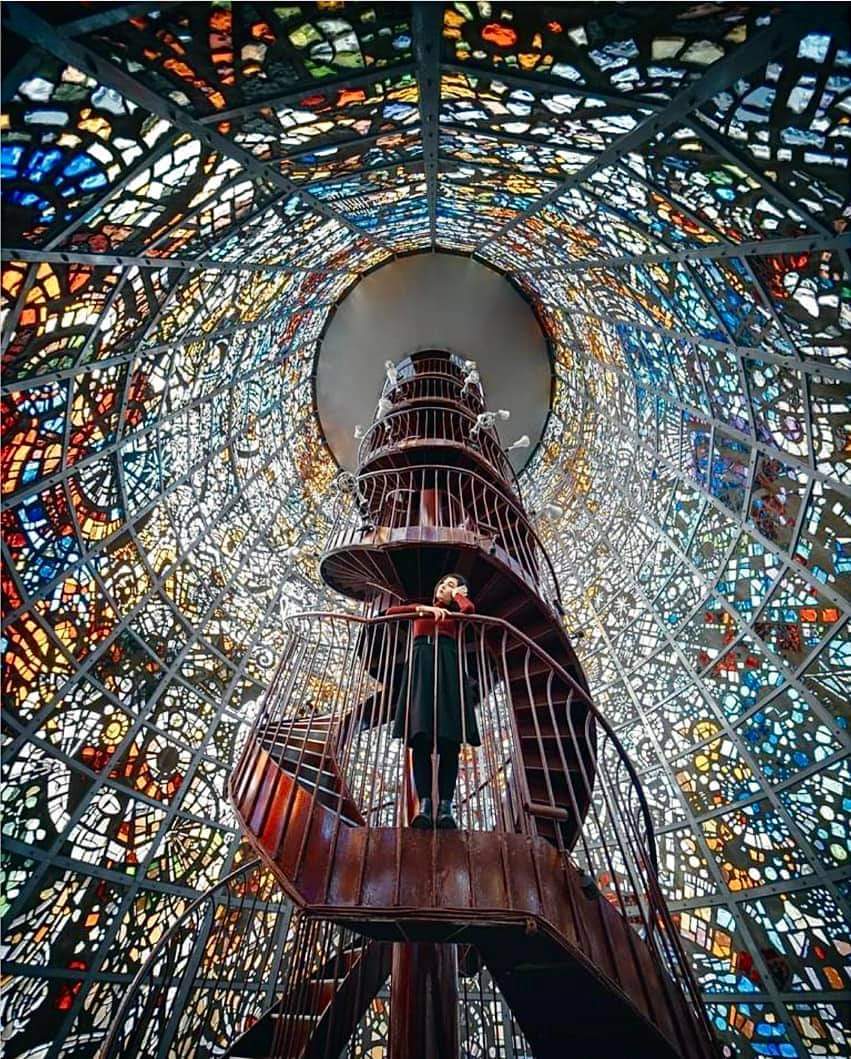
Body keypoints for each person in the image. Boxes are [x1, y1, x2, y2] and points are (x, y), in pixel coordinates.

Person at [385, 574, 481, 830]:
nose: (443, 588)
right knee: (420, 738)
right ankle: (425, 806)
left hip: (448, 668)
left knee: (450, 742)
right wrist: (421, 608)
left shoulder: (455, 615)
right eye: (442, 584)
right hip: (421, 667)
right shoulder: (421, 610)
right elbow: (390, 611)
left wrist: (459, 595)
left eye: (450, 585)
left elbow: (469, 609)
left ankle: (446, 807)